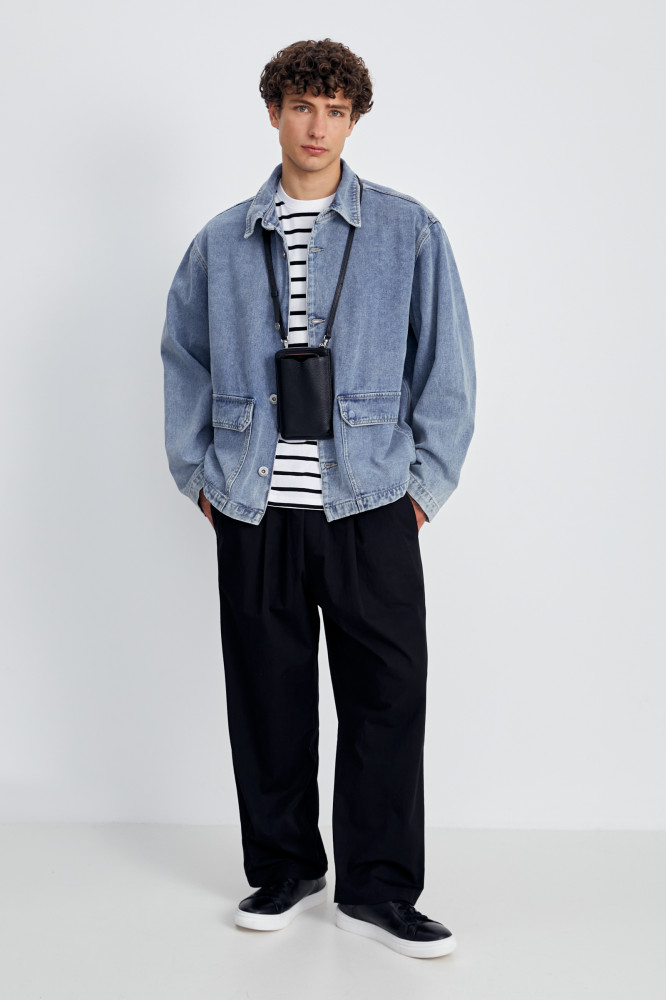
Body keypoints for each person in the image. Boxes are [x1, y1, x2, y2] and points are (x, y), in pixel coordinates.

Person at [160, 37, 476, 960]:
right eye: (303, 106)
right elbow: (183, 360)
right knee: (269, 699)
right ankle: (285, 868)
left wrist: (420, 492)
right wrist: (202, 480)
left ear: (353, 120)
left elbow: (446, 368)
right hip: (255, 508)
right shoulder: (221, 242)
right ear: (274, 113)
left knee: (387, 698)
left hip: (370, 504)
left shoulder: (408, 231)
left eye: (336, 110)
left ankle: (378, 890)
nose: (318, 127)